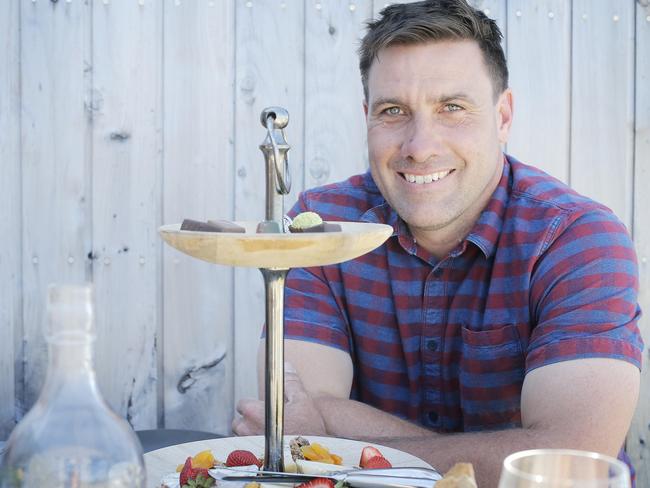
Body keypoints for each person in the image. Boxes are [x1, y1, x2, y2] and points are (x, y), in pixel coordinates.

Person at [232, 1, 643, 486]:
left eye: (452, 108)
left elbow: (567, 466)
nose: (420, 145)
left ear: (503, 115)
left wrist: (329, 429)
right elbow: (292, 423)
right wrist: (312, 429)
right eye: (393, 111)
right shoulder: (319, 229)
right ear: (367, 117)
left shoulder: (577, 239)